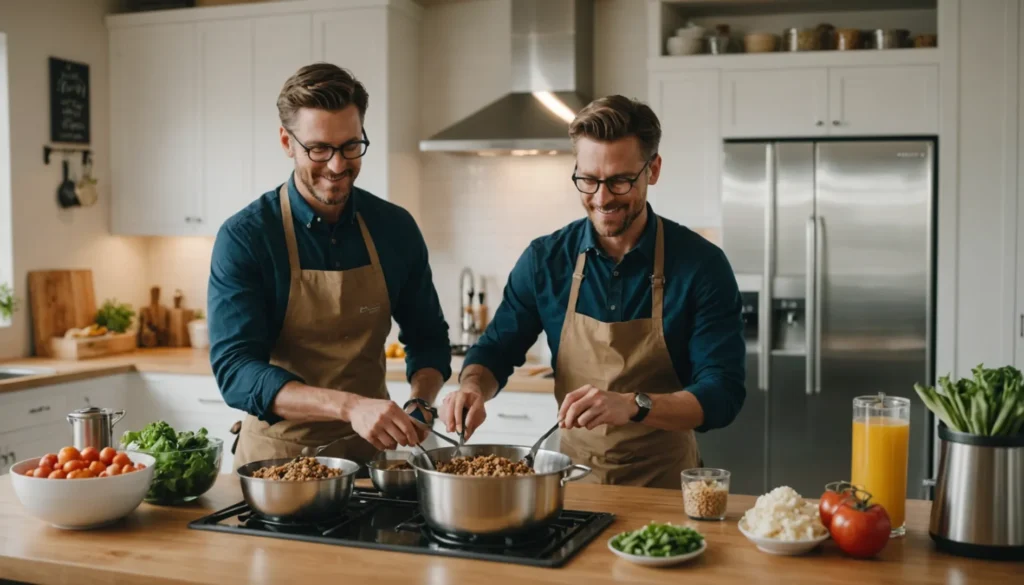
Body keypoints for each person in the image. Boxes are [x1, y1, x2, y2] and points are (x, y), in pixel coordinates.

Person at [439, 95, 746, 488]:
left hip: (665, 487)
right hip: (571, 485)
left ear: (652, 170)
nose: (601, 198)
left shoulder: (700, 265)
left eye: (620, 180)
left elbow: (722, 393)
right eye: (588, 179)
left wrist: (634, 405)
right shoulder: (545, 260)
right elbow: (496, 351)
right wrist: (472, 387)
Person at [208, 63, 451, 468]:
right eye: (319, 149)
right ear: (287, 141)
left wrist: (421, 402)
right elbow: (236, 372)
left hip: (370, 461)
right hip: (276, 465)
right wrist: (350, 407)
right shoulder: (247, 237)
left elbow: (427, 339)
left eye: (351, 146)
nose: (338, 166)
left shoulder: (395, 228)